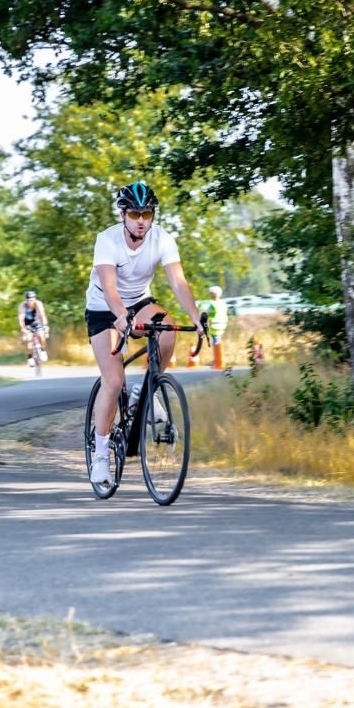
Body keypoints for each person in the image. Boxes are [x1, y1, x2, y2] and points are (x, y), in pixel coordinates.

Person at [85, 181, 205, 487]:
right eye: (135, 214)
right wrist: (120, 316)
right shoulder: (107, 240)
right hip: (103, 307)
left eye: (147, 214)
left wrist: (196, 317)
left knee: (167, 330)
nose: (141, 220)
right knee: (114, 381)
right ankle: (101, 455)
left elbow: (178, 282)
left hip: (139, 301)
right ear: (123, 215)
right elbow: (109, 288)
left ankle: (146, 391)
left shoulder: (162, 238)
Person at [18, 291, 49, 367]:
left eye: (32, 300)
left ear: (35, 299)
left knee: (41, 336)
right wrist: (23, 328)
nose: (31, 302)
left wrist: (45, 325)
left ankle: (43, 351)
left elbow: (42, 315)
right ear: (26, 300)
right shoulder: (22, 305)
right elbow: (21, 319)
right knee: (29, 340)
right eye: (29, 300)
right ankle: (30, 358)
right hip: (27, 324)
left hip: (37, 322)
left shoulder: (38, 304)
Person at [206, 285, 228, 370]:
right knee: (217, 341)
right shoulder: (223, 303)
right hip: (222, 324)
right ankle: (216, 359)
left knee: (216, 342)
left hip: (214, 325)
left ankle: (218, 361)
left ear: (212, 294)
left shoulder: (213, 304)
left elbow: (208, 314)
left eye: (210, 293)